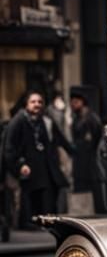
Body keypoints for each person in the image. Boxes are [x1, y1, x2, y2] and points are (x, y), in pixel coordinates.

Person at [2, 92, 74, 225]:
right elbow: (9, 148)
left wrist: (74, 151)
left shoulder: (45, 120)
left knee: (48, 199)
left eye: (40, 102)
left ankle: (46, 223)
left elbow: (61, 139)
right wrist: (19, 165)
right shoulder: (18, 121)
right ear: (26, 104)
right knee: (29, 201)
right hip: (27, 169)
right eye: (33, 102)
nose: (37, 105)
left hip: (45, 168)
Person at [69, 87, 106, 216]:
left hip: (90, 160)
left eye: (75, 102)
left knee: (94, 188)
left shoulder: (90, 118)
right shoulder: (78, 118)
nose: (72, 105)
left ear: (82, 102)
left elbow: (92, 140)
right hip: (81, 160)